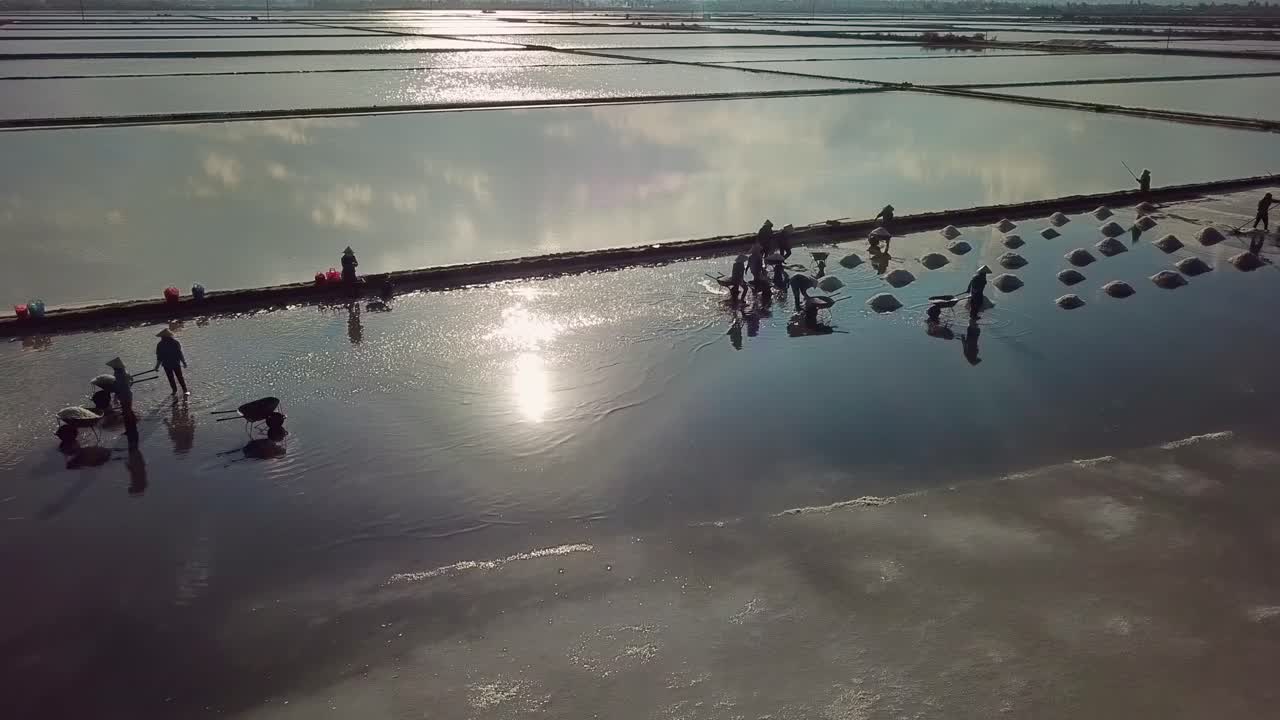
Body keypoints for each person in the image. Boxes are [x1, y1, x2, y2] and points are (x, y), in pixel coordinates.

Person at [153, 329, 189, 395]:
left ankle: (178, 390)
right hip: (173, 363)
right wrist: (184, 362)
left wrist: (157, 367)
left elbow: (159, 357)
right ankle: (182, 390)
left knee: (173, 378)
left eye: (162, 337)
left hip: (170, 364)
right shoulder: (173, 342)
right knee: (178, 377)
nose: (162, 338)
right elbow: (179, 354)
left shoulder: (162, 344)